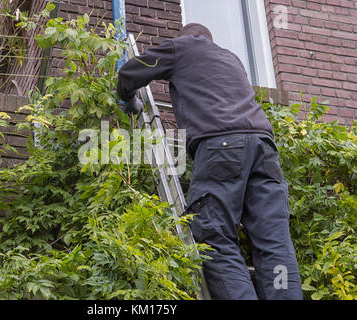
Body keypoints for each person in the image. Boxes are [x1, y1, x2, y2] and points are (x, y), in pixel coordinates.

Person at [116, 23, 303, 300]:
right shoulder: (232, 58)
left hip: (223, 146)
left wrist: (128, 98)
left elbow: (132, 70)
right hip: (264, 149)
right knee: (273, 240)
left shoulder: (184, 46)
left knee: (214, 236)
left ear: (187, 38)